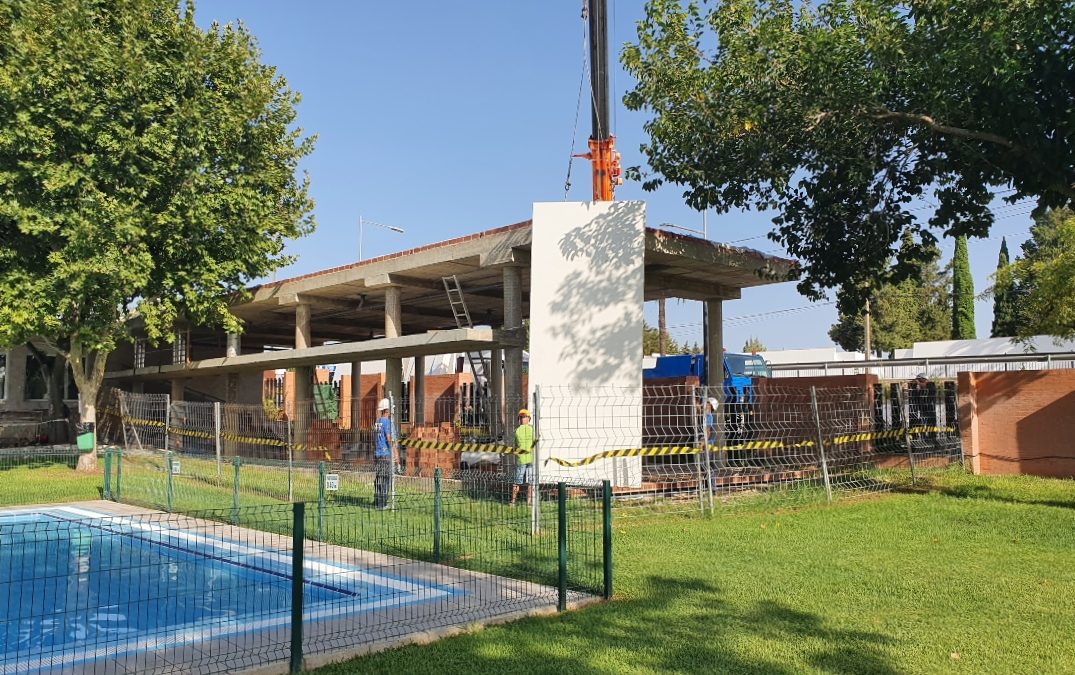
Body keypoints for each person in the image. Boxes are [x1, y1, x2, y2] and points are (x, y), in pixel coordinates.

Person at [510, 408, 536, 506]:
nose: (522, 419)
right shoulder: (533, 429)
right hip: (529, 459)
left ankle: (513, 501)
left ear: (528, 418)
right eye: (521, 417)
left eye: (523, 417)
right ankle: (527, 503)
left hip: (522, 459)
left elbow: (514, 446)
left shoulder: (516, 430)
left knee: (518, 481)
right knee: (529, 482)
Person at [373, 397, 395, 509]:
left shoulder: (377, 422)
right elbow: (389, 438)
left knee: (378, 478)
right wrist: (395, 454)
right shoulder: (387, 422)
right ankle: (382, 504)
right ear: (387, 410)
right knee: (386, 478)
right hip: (385, 454)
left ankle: (377, 501)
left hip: (377, 454)